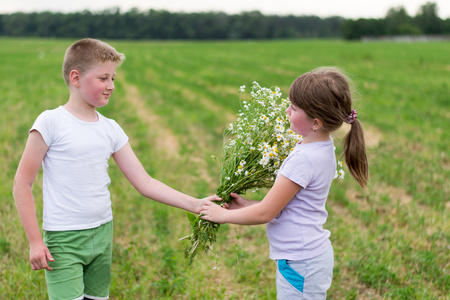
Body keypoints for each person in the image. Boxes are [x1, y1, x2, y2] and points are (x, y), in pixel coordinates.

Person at [13, 38, 219, 300]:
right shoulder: (51, 122)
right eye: (103, 78)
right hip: (63, 240)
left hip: (102, 233)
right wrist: (34, 241)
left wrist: (197, 205)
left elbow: (145, 182)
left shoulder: (111, 128)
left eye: (113, 79)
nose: (111, 86)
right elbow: (22, 183)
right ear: (75, 78)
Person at [200, 67, 368, 299]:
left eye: (294, 108)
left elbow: (266, 213)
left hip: (301, 262)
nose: (287, 110)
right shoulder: (321, 148)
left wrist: (222, 216)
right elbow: (289, 207)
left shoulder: (303, 160)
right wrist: (249, 204)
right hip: (306, 258)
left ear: (316, 123)